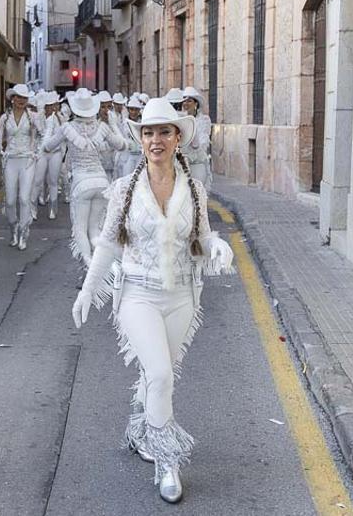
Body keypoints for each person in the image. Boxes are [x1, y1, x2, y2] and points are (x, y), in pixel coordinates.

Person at [71, 97, 235, 504]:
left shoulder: (194, 190)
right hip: (138, 294)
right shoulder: (125, 189)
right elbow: (108, 244)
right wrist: (88, 290)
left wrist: (217, 247)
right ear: (140, 139)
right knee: (160, 374)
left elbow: (202, 238)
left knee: (158, 374)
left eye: (164, 131)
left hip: (182, 297)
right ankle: (167, 460)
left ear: (178, 138)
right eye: (148, 132)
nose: (156, 139)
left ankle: (142, 429)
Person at [42, 89, 126, 265]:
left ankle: (90, 269)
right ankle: (102, 267)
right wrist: (113, 124)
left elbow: (47, 147)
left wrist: (49, 128)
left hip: (82, 184)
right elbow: (121, 145)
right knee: (95, 230)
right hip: (102, 183)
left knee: (80, 230)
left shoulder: (67, 128)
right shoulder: (102, 127)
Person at [0, 84, 46, 250]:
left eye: (24, 98)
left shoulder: (33, 117)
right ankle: (13, 227)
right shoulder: (4, 118)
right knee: (11, 200)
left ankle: (23, 231)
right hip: (10, 161)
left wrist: (38, 152)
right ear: (12, 99)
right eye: (18, 97)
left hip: (28, 161)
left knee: (24, 198)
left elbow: (44, 135)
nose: (21, 100)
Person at [31, 92, 65, 220]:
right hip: (41, 153)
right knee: (38, 180)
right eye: (50, 106)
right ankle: (32, 208)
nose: (52, 108)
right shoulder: (38, 118)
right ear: (45, 107)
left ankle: (53, 208)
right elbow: (33, 137)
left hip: (55, 153)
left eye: (54, 105)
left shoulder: (60, 119)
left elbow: (62, 137)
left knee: (53, 181)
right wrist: (33, 152)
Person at [180, 87, 214, 189]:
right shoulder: (180, 120)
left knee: (197, 195)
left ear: (196, 104)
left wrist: (194, 144)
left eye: (189, 101)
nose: (186, 104)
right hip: (181, 165)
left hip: (196, 163)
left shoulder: (204, 120)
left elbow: (203, 143)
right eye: (184, 101)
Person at [117, 95, 145, 178]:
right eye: (131, 109)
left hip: (140, 156)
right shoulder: (124, 124)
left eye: (136, 109)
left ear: (139, 110)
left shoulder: (142, 124)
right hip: (127, 156)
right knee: (127, 178)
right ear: (128, 110)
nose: (133, 112)